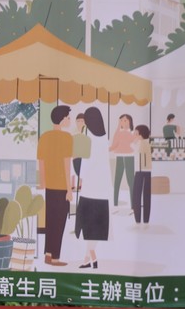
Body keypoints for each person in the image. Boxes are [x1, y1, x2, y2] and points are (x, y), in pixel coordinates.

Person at [37, 104, 73, 266]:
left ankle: (48, 254)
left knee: (50, 220)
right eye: (68, 118)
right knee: (59, 223)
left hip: (49, 187)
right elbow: (67, 164)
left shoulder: (44, 137)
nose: (69, 120)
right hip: (61, 186)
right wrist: (69, 189)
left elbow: (41, 162)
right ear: (62, 119)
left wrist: (43, 182)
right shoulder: (66, 138)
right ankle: (55, 258)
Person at [75, 106, 110, 269]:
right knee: (97, 225)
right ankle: (88, 258)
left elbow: (84, 164)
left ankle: (90, 258)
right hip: (102, 187)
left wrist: (80, 178)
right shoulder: (104, 139)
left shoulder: (88, 139)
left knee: (88, 224)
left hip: (90, 186)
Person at [109, 113, 136, 207]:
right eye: (121, 120)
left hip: (129, 157)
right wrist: (105, 150)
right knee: (117, 182)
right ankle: (115, 204)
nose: (123, 122)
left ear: (130, 121)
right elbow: (114, 145)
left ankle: (133, 205)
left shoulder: (132, 132)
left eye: (125, 120)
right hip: (119, 157)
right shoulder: (118, 133)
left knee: (131, 182)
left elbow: (135, 144)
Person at [131, 124, 152, 225]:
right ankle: (145, 219)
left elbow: (133, 148)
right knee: (146, 195)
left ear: (141, 135)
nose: (134, 135)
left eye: (136, 133)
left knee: (136, 195)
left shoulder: (140, 143)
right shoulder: (146, 143)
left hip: (140, 171)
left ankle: (138, 219)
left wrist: (134, 142)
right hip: (147, 171)